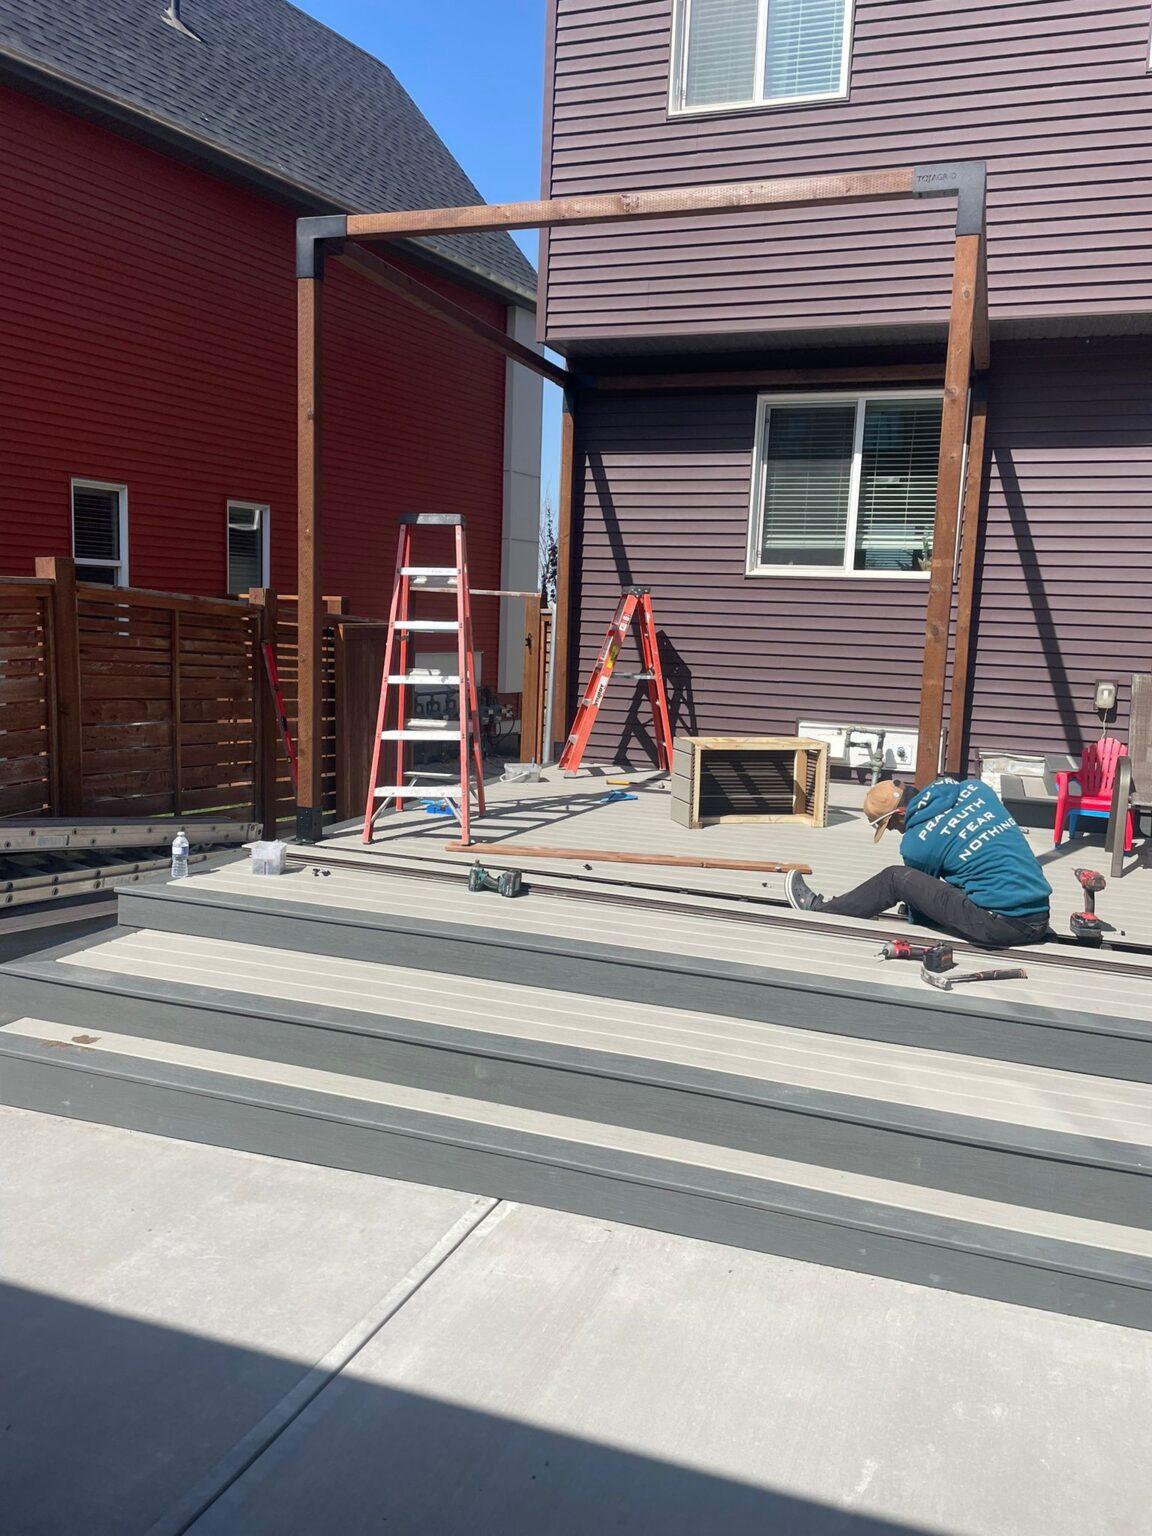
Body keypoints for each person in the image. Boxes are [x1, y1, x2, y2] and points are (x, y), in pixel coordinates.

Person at [785, 775, 1052, 947]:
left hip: (1001, 926)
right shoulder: (977, 790)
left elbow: (920, 909)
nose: (897, 832)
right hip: (1039, 913)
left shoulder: (917, 844)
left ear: (901, 812)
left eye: (891, 826)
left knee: (895, 878)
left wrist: (915, 915)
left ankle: (822, 912)